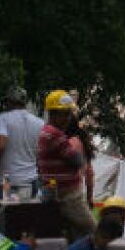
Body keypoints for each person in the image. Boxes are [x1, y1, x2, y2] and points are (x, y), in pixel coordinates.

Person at [37, 90, 96, 241]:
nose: (68, 118)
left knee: (71, 237)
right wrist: (79, 160)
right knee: (94, 231)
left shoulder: (46, 132)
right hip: (68, 197)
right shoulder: (55, 135)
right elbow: (77, 160)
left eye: (69, 114)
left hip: (56, 193)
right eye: (65, 114)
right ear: (54, 114)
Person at [0, 88, 44, 214]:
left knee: (4, 220)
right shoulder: (39, 122)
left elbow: (0, 145)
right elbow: (41, 152)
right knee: (23, 220)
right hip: (30, 179)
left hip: (7, 180)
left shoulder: (4, 118)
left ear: (10, 102)